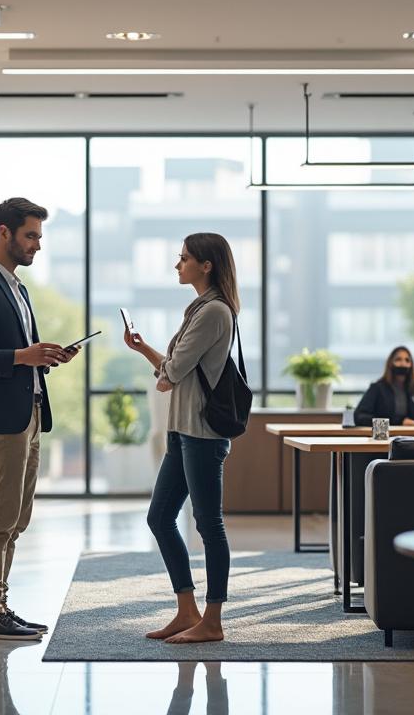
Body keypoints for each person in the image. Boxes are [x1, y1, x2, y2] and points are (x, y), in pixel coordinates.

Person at [0, 197, 79, 641]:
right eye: (30, 236)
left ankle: (0, 605)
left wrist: (45, 357)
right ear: (3, 233)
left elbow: (23, 352)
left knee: (18, 518)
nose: (37, 246)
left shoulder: (18, 288)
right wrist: (21, 356)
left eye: (40, 238)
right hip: (1, 419)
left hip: (29, 412)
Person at [124, 233, 239, 644]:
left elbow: (173, 374)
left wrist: (168, 369)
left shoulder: (214, 312)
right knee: (159, 517)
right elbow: (173, 370)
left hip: (203, 436)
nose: (178, 264)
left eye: (184, 258)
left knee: (209, 525)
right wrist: (144, 350)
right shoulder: (200, 309)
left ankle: (213, 620)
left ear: (206, 265)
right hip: (182, 431)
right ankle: (187, 610)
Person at [354, 346, 414, 427]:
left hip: (412, 435)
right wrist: (397, 422)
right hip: (384, 436)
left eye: (407, 360)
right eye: (398, 359)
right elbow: (360, 416)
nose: (403, 363)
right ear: (390, 363)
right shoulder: (377, 388)